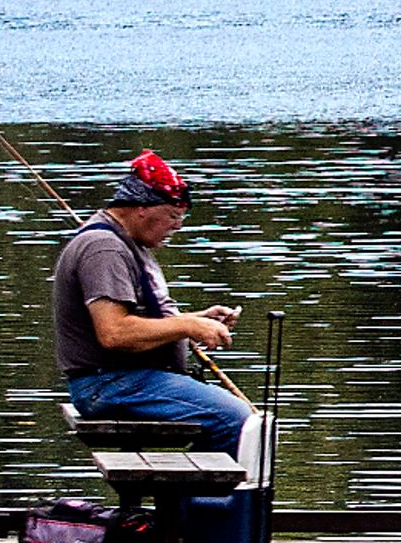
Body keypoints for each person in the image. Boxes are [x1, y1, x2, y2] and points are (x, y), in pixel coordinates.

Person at [51, 151, 251, 462]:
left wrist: (199, 319)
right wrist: (188, 326)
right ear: (142, 208)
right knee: (237, 421)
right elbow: (114, 332)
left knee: (243, 424)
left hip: (124, 379)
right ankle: (193, 507)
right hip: (109, 383)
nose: (178, 226)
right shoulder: (104, 248)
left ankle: (192, 501)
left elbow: (135, 320)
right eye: (173, 215)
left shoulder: (126, 241)